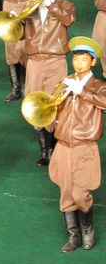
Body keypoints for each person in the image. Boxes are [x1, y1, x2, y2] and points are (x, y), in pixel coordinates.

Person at [46, 37, 106, 252]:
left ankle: (88, 228)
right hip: (63, 144)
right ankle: (73, 235)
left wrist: (82, 91)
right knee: (65, 189)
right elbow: (51, 109)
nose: (78, 63)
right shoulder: (65, 83)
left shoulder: (99, 86)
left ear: (93, 62)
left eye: (83, 59)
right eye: (76, 59)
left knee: (80, 191)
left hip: (84, 144)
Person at [23, 0, 77, 166]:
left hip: (56, 60)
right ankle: (45, 151)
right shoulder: (30, 5)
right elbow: (19, 32)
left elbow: (69, 19)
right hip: (35, 60)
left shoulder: (65, 4)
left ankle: (55, 147)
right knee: (35, 101)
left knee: (56, 102)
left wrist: (51, 4)